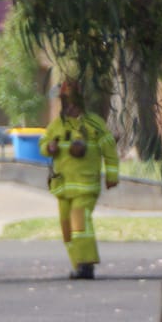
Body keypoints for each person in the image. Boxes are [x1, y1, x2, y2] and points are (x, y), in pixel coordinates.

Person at [42, 77, 119, 279]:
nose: (69, 104)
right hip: (63, 186)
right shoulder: (57, 124)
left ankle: (86, 266)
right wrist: (49, 148)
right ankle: (78, 264)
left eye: (72, 100)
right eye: (66, 100)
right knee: (67, 229)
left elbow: (109, 149)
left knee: (80, 224)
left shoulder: (94, 124)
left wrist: (112, 175)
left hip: (85, 185)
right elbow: (44, 144)